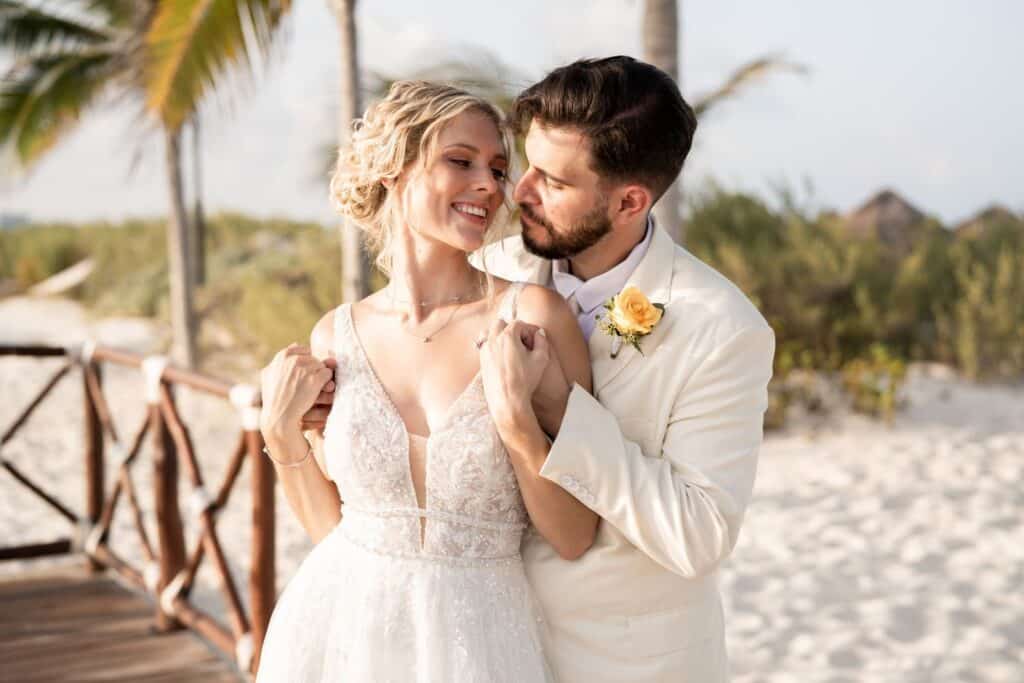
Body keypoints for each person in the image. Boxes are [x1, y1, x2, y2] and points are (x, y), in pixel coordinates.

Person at [255, 81, 595, 681]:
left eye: (496, 167)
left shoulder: (532, 319)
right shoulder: (336, 336)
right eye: (460, 161)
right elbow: (336, 532)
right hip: (340, 634)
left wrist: (518, 421)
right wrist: (281, 435)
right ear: (394, 168)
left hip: (482, 647)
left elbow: (572, 535)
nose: (490, 186)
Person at [472, 56, 776, 682]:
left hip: (626, 664)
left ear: (629, 201)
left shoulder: (722, 327)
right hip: (483, 643)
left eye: (552, 181)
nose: (520, 191)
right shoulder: (486, 270)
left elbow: (698, 534)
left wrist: (558, 408)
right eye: (526, 165)